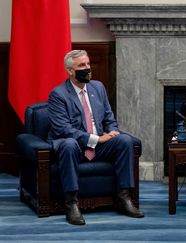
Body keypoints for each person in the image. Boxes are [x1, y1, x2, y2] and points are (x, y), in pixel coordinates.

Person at [47, 50, 144, 225]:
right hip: (76, 146)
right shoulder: (58, 95)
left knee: (124, 140)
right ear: (70, 70)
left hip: (99, 146)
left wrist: (112, 132)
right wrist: (96, 139)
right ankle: (71, 204)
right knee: (68, 144)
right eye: (81, 65)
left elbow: (109, 118)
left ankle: (123, 198)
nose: (87, 68)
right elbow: (64, 130)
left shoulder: (98, 87)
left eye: (88, 64)